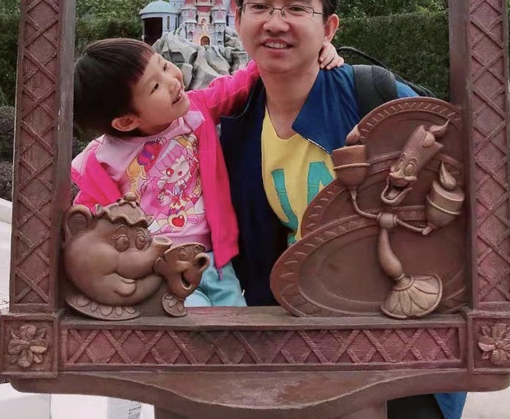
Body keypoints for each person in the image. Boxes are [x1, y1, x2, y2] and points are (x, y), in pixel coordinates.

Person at [219, 0, 466, 419]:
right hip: (295, 337)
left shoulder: (373, 97)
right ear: (237, 16)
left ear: (328, 27)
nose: (275, 23)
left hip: (401, 336)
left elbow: (462, 167)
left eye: (296, 8)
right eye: (260, 6)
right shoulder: (237, 125)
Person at [71, 36, 342, 308]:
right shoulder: (101, 162)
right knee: (193, 322)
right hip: (162, 270)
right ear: (126, 122)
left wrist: (307, 51)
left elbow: (240, 82)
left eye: (163, 66)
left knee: (235, 321)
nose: (172, 81)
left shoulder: (195, 112)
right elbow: (86, 231)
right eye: (155, 86)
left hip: (217, 263)